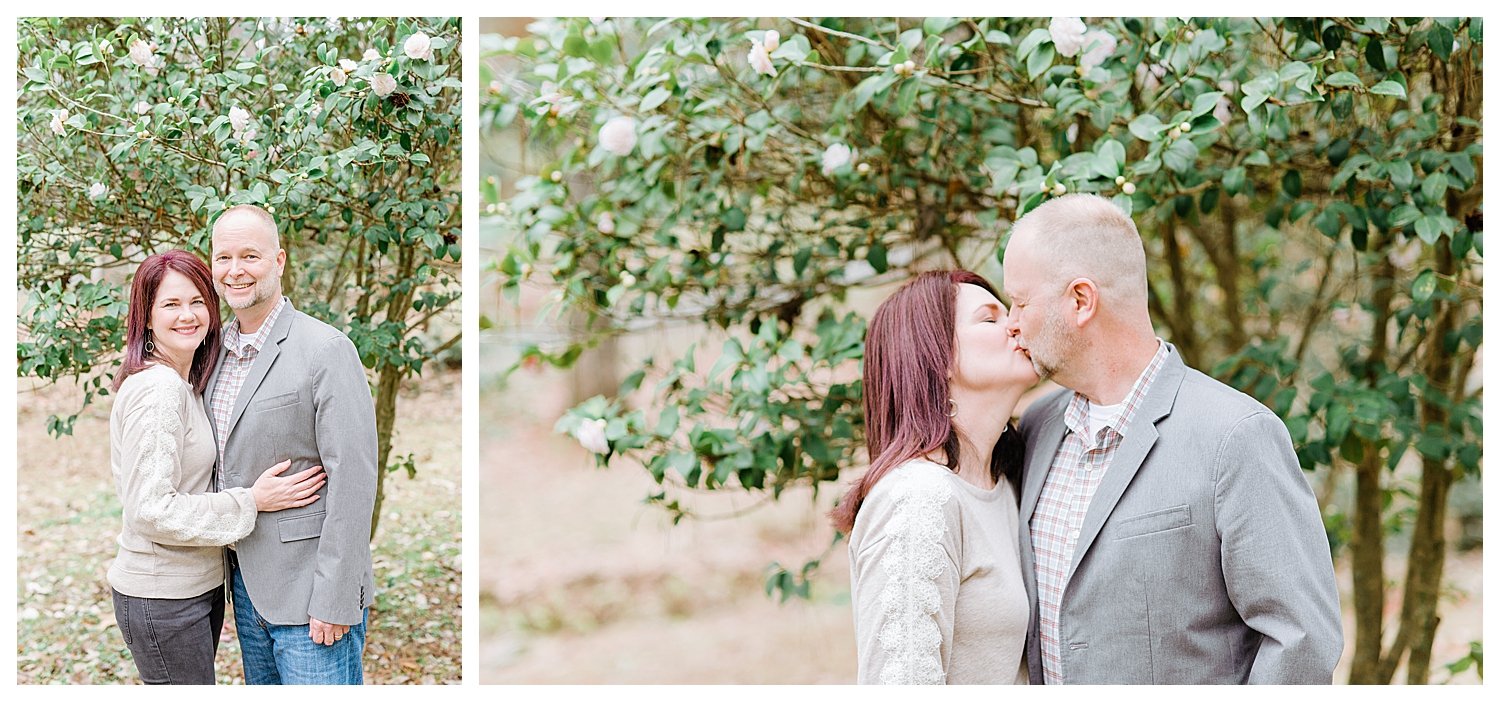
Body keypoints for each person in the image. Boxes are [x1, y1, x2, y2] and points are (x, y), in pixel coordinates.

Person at [1001, 193, 1342, 684]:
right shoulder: (1037, 426)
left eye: (1021, 301)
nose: (1011, 322)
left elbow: (1300, 642)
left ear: (1081, 300)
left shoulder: (1236, 437)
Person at [107, 250, 326, 685]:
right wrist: (251, 502)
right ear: (146, 318)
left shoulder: (184, 383)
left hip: (189, 589)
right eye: (170, 304)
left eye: (197, 301)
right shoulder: (160, 391)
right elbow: (149, 509)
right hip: (162, 595)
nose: (187, 315)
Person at [834, 269, 1036, 684]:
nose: (1016, 324)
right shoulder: (918, 498)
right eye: (990, 318)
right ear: (938, 357)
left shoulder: (1008, 483)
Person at [205, 204, 379, 685]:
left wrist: (337, 596)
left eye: (250, 256)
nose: (235, 271)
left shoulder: (326, 349)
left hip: (312, 596)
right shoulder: (211, 352)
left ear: (279, 261)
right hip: (245, 589)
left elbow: (355, 479)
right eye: (223, 258)